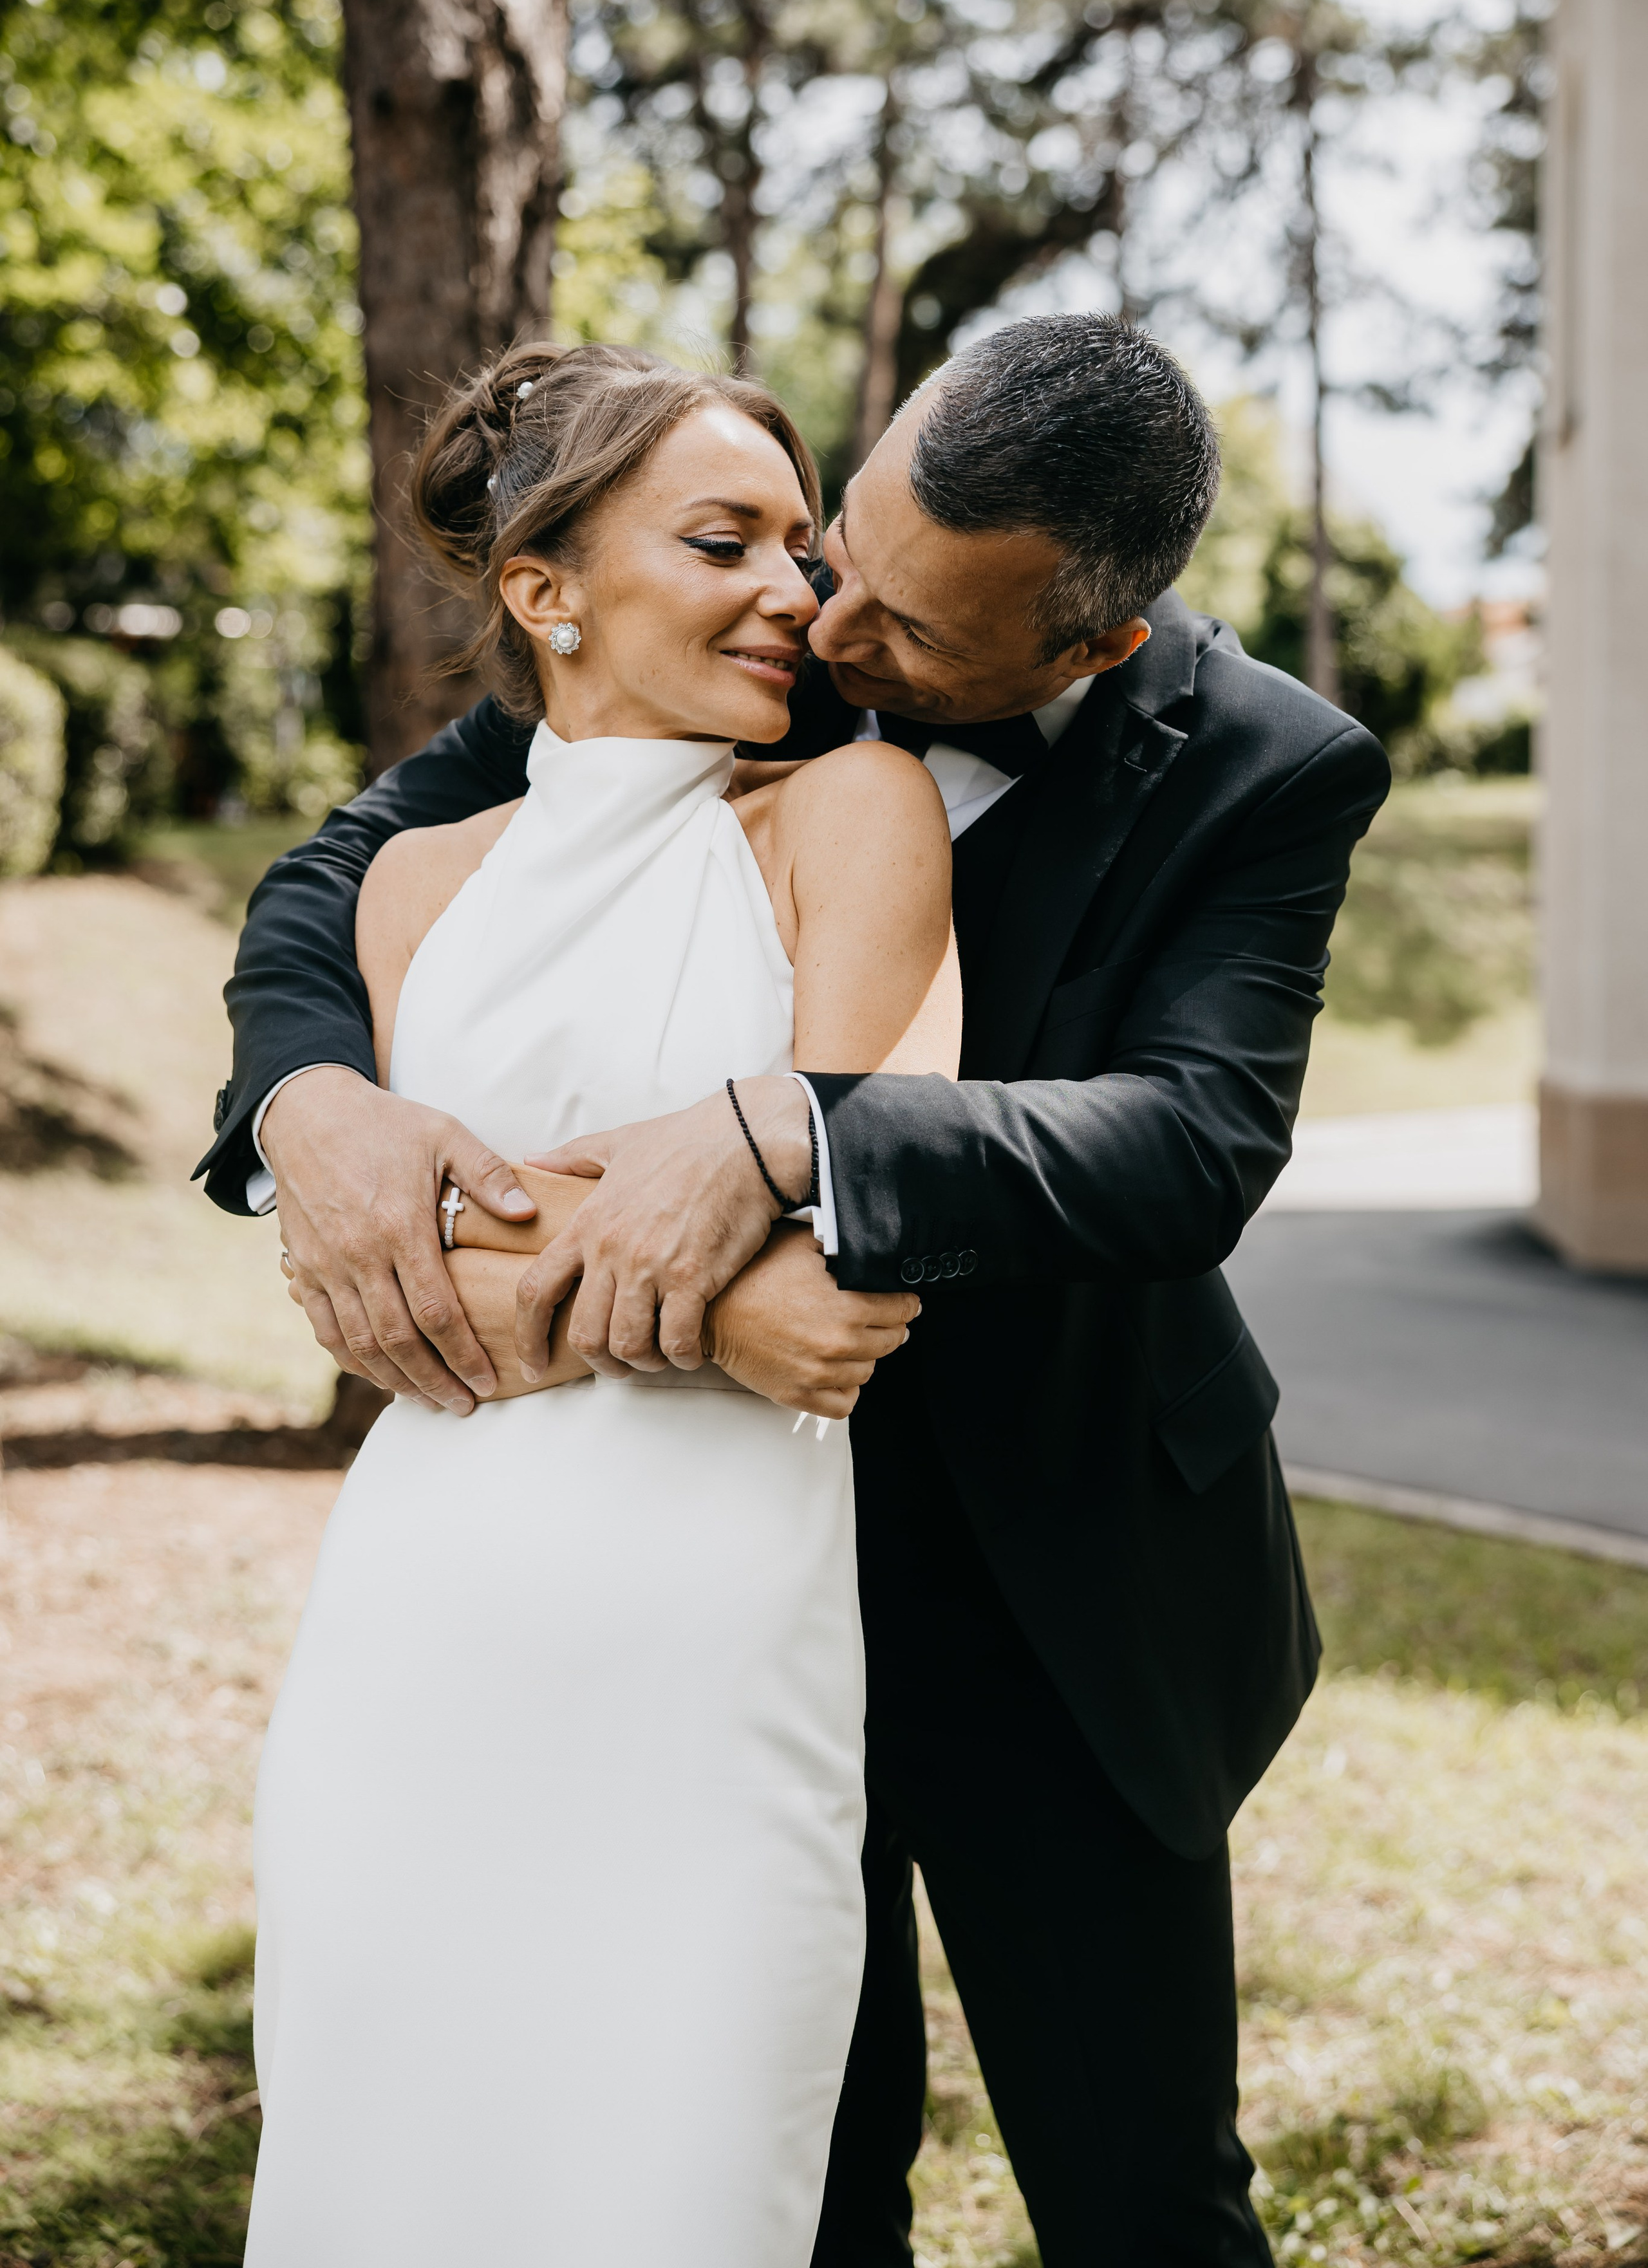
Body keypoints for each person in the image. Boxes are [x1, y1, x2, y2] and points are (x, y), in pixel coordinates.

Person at [201, 311, 1390, 2267]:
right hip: (686, 1580)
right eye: (845, 549)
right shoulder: (757, 621)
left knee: (1139, 2191)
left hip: (1049, 1569)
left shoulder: (1269, 768)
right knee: (780, 2186)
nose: (830, 629)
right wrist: (305, 1101)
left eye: (907, 631)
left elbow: (1188, 1142)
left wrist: (791, 1128)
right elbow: (341, 880)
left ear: (1089, 645)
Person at [241, 341, 962, 2267]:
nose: (793, 592)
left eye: (799, 546)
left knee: (683, 2184)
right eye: (725, 542)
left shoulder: (853, 814)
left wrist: (498, 1242)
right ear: (544, 590)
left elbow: (858, 1240)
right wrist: (704, 1302)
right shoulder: (411, 886)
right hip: (419, 1625)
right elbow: (361, 1281)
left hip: (712, 1655)